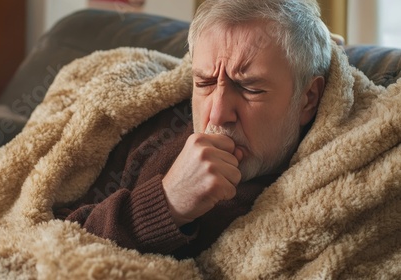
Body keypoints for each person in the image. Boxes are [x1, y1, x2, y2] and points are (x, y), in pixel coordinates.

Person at [53, 0, 332, 259]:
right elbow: (52, 242)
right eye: (205, 83)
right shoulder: (152, 129)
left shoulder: (335, 191)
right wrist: (167, 202)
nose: (218, 114)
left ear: (308, 99)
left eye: (250, 88)